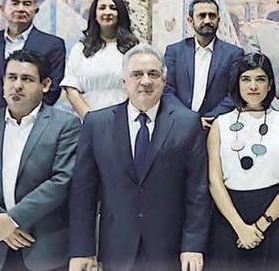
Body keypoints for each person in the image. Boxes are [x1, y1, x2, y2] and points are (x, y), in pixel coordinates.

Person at [69, 44, 210, 271]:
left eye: (153, 74)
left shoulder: (187, 123)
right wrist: (82, 250)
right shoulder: (96, 124)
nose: (145, 81)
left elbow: (198, 191)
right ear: (124, 80)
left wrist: (193, 246)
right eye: (137, 74)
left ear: (164, 80)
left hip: (170, 250)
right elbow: (82, 193)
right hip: (116, 249)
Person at [0, 50, 81, 271]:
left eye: (27, 79)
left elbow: (62, 180)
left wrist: (13, 220)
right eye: (11, 77)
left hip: (42, 247)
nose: (17, 86)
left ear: (45, 85)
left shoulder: (65, 125)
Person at [206, 53, 279, 270]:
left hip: (273, 219)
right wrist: (240, 227)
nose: (253, 86)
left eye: (260, 79)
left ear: (270, 84)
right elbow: (214, 181)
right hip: (229, 219)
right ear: (237, 84)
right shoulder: (220, 124)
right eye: (246, 79)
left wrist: (261, 225)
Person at [164, 0, 244, 129]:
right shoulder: (175, 52)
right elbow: (167, 90)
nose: (207, 20)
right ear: (190, 21)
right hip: (179, 125)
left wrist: (210, 118)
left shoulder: (234, 54)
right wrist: (190, 120)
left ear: (218, 20)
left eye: (212, 16)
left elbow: (234, 94)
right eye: (202, 16)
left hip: (216, 126)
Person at [61, 0, 138, 119]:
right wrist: (91, 119)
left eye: (113, 8)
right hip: (88, 119)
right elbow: (71, 89)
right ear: (95, 15)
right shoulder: (80, 49)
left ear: (120, 14)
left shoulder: (133, 48)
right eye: (102, 8)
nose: (107, 12)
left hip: (126, 119)